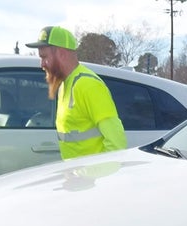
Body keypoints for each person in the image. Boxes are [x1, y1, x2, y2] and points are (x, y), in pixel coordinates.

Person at [26, 26, 127, 159]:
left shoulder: (88, 85)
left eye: (44, 57)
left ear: (61, 53)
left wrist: (92, 176)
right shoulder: (65, 85)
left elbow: (117, 145)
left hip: (91, 178)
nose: (42, 64)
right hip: (77, 176)